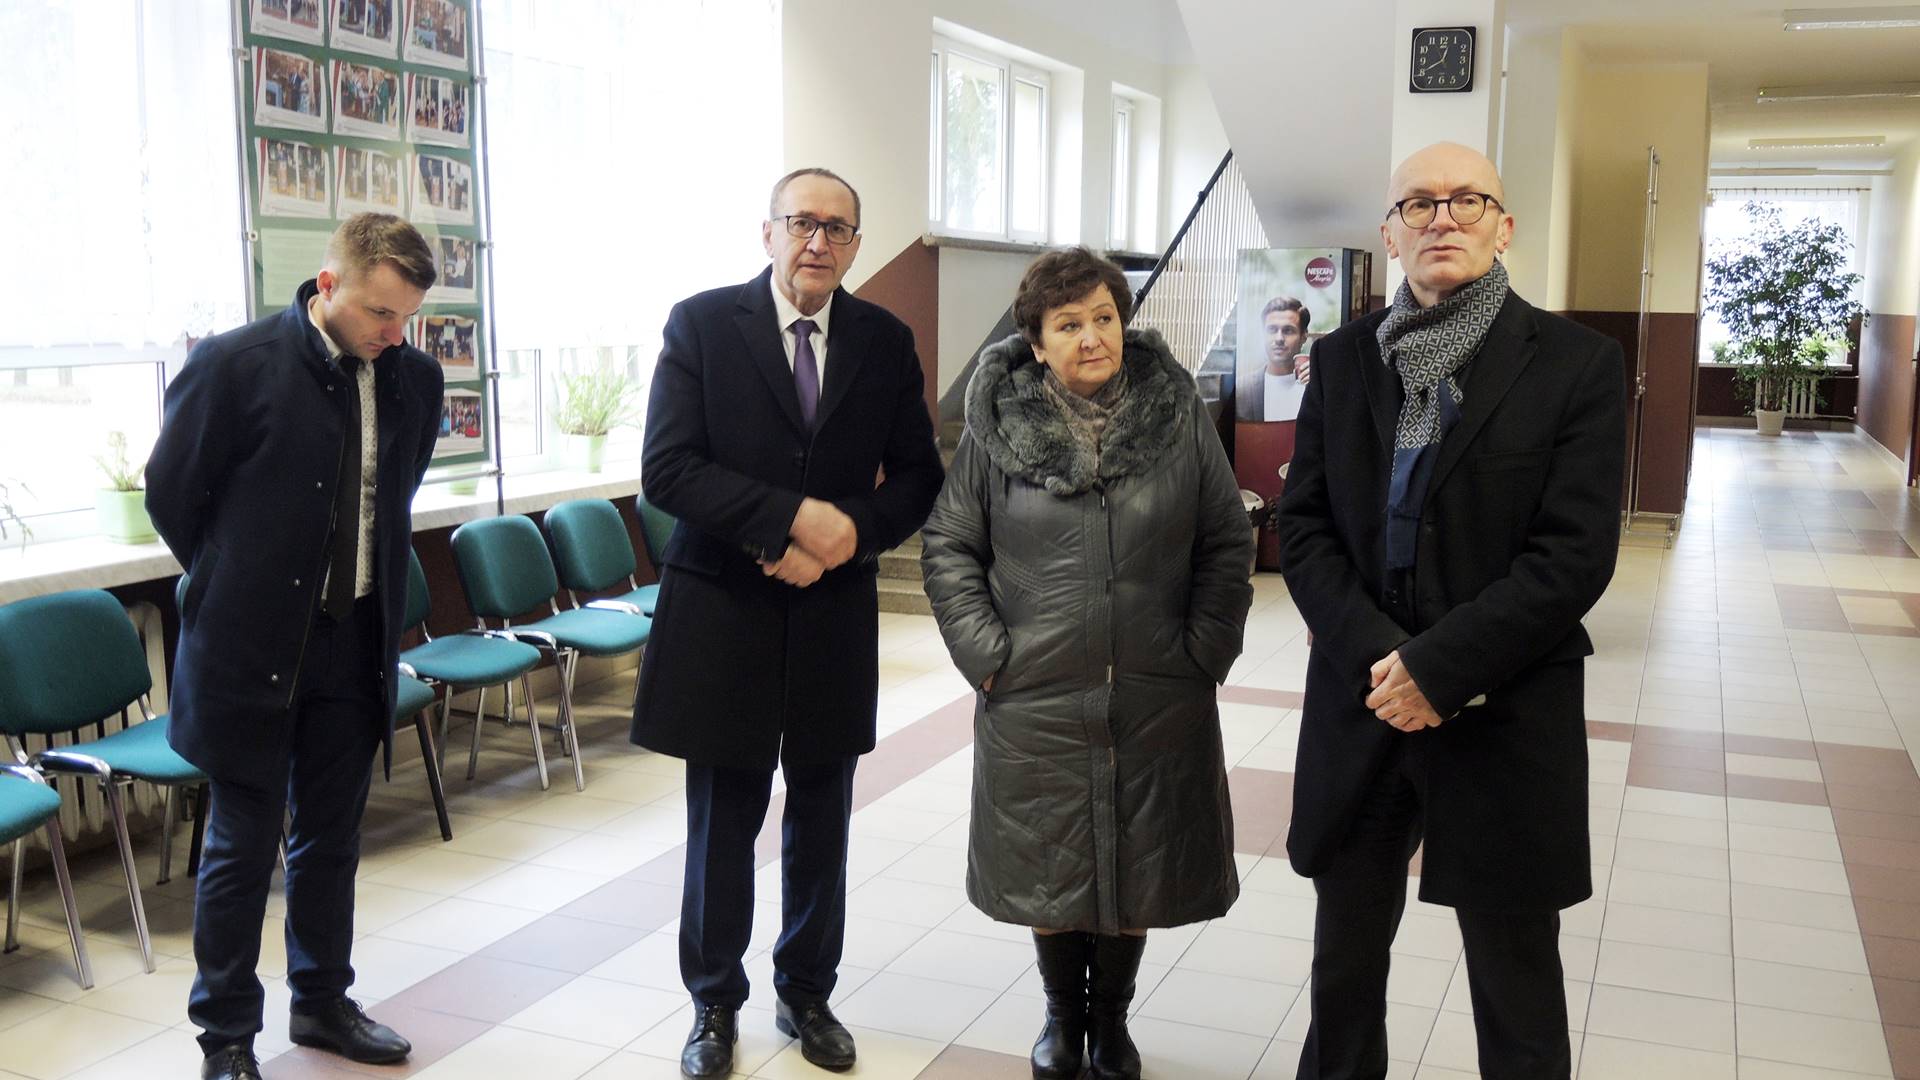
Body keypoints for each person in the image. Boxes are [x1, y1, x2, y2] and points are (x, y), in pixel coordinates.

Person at [1275, 141, 1625, 1079]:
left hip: (1502, 710)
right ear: (1390, 233)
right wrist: (1382, 660)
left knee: (1515, 978)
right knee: (1344, 964)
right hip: (1365, 703)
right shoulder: (1341, 360)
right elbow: (1304, 525)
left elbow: (1573, 556)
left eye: (1467, 201)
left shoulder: (1578, 365)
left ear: (1503, 228)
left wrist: (1438, 669)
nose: (1442, 218)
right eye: (1418, 204)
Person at [632, 167, 943, 1079]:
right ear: (766, 232)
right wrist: (791, 520)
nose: (817, 241)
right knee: (722, 822)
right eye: (802, 222)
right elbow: (668, 467)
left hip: (830, 614)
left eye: (837, 228)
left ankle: (807, 991)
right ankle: (712, 1004)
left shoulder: (883, 339)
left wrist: (847, 536)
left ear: (856, 245)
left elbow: (919, 476)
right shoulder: (700, 325)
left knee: (822, 814)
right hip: (723, 608)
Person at [920, 246, 1254, 1080]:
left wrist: (1207, 649)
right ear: (1037, 343)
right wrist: (988, 656)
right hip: (1034, 691)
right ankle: (1062, 1018)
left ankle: (1112, 1023)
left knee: (1140, 862)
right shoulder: (998, 427)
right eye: (1068, 324)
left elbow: (1225, 537)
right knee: (1052, 862)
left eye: (1104, 317)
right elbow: (950, 545)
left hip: (1159, 687)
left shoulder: (1175, 415)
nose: (1092, 337)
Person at [146, 213, 444, 1080]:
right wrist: (238, 579)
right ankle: (227, 1038)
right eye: (381, 313)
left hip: (354, 641)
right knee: (241, 848)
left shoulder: (412, 378)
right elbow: (174, 497)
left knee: (331, 838)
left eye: (408, 318)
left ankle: (320, 1003)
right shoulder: (233, 366)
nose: (395, 334)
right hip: (250, 649)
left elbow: (395, 492)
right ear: (328, 284)